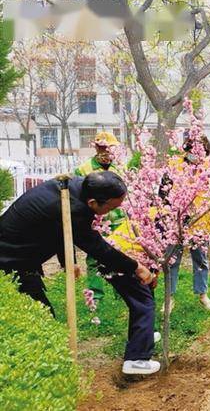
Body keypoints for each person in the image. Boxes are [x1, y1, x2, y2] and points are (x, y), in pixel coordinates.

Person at [0, 172, 160, 375]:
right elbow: (97, 248)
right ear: (93, 203)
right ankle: (39, 372)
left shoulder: (73, 188)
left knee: (40, 314)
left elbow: (57, 227)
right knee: (40, 317)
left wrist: (68, 261)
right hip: (10, 261)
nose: (112, 212)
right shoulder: (73, 207)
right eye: (110, 208)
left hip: (22, 258)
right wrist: (137, 267)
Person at [75, 131, 126, 321]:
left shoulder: (120, 168)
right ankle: (96, 296)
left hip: (119, 222)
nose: (106, 152)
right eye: (102, 148)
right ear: (96, 147)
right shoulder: (84, 169)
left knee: (120, 256)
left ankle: (121, 292)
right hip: (97, 222)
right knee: (94, 259)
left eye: (110, 148)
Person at [162, 135, 210, 314]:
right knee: (171, 260)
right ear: (187, 148)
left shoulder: (209, 168)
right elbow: (163, 193)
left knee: (200, 259)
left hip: (200, 222)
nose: (197, 154)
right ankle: (169, 297)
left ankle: (202, 294)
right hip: (176, 221)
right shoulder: (174, 166)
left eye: (201, 151)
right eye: (193, 150)